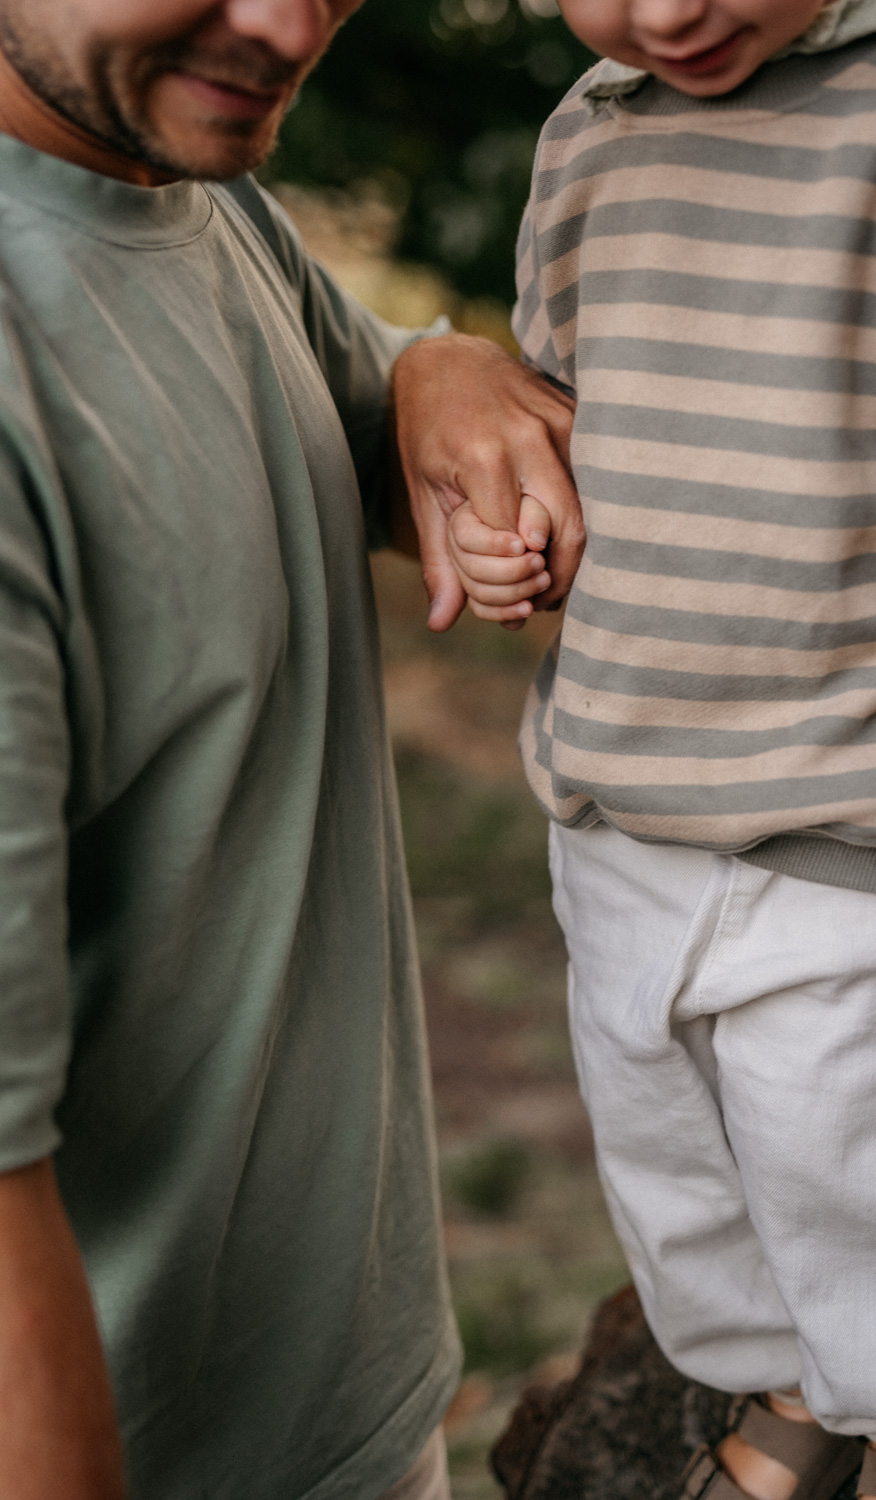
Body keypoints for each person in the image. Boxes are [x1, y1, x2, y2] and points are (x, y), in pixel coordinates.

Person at [0, 3, 584, 1499]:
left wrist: (433, 371)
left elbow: (354, 416)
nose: (284, 25)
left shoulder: (184, 186)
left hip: (350, 1428)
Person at [447, 1, 876, 1498]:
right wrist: (523, 544)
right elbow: (569, 433)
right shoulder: (592, 131)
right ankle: (789, 1389)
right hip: (621, 799)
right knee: (686, 1177)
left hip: (863, 821)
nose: (671, 9)